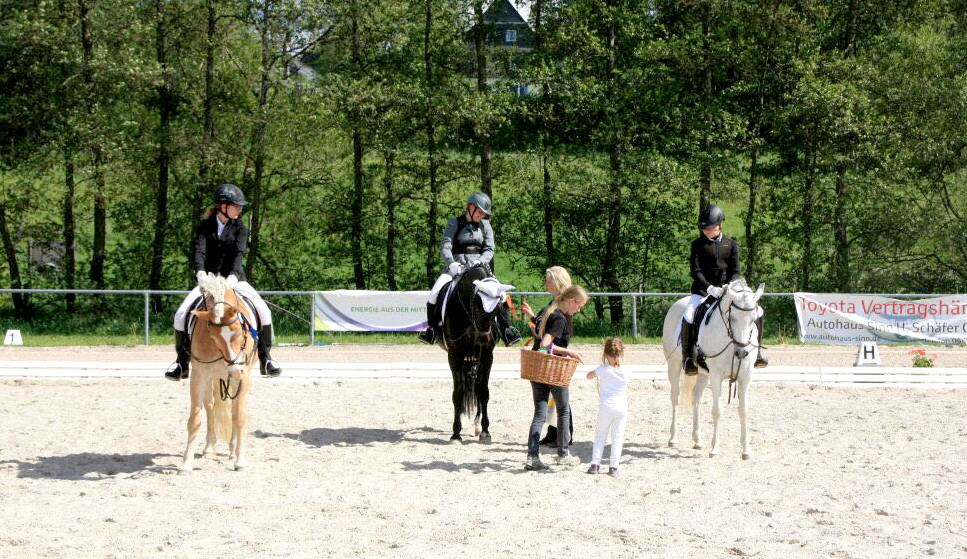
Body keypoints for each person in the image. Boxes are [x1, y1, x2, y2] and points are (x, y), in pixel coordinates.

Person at [165, 184, 282, 381]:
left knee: (264, 310)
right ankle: (181, 363)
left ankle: (266, 358)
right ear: (223, 206)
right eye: (237, 206)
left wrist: (234, 277)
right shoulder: (205, 226)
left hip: (233, 280)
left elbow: (238, 254)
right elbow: (199, 252)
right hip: (209, 281)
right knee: (181, 314)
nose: (240, 209)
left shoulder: (240, 228)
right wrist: (200, 273)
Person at [418, 192, 521, 347]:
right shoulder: (454, 223)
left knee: (502, 294)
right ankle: (432, 330)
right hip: (456, 268)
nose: (481, 215)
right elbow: (445, 246)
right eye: (479, 211)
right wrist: (451, 263)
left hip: (480, 267)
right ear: (470, 207)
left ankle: (506, 329)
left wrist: (480, 260)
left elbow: (489, 249)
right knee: (434, 294)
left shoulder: (486, 226)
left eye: (483, 213)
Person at [681, 203, 768, 375]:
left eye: (710, 228)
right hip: (702, 291)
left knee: (758, 312)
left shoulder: (731, 244)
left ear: (720, 225)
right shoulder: (697, 245)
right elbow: (695, 271)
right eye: (704, 229)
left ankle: (758, 353)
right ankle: (688, 358)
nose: (706, 231)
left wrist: (729, 288)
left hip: (728, 292)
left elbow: (735, 271)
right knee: (689, 315)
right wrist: (709, 288)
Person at [523, 285, 588, 471]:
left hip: (537, 368)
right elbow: (545, 345)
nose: (579, 309)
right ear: (571, 301)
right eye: (579, 305)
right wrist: (568, 351)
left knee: (539, 414)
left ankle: (532, 456)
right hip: (552, 369)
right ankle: (563, 453)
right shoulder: (560, 318)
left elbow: (540, 340)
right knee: (563, 410)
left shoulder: (550, 312)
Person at [520, 266, 572, 447]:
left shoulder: (560, 306)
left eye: (548, 280)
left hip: (552, 355)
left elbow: (549, 334)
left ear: (557, 282)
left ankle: (561, 437)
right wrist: (533, 317)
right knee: (555, 402)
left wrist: (536, 326)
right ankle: (557, 436)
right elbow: (544, 329)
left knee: (557, 404)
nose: (545, 283)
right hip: (548, 353)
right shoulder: (553, 304)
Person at [586, 337, 628, 477]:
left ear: (605, 354)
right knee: (617, 438)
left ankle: (595, 465)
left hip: (606, 407)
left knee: (600, 436)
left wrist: (598, 370)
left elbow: (588, 376)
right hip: (621, 407)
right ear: (622, 354)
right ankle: (613, 467)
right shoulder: (627, 372)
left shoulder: (602, 370)